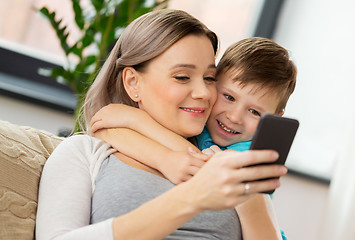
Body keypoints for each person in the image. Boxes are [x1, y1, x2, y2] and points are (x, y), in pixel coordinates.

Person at [36, 9, 287, 240]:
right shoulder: (85, 152)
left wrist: (249, 196)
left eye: (210, 78)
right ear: (133, 83)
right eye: (182, 77)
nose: (203, 92)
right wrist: (188, 198)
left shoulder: (233, 168)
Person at [90, 37, 296, 240]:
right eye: (229, 97)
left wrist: (135, 120)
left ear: (273, 120)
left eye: (254, 111)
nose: (234, 117)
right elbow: (104, 132)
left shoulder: (251, 153)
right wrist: (110, 131)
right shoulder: (198, 124)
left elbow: (210, 167)